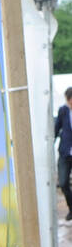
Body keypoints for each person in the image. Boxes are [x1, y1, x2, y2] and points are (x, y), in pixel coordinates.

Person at [55, 85, 72, 222]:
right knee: (63, 182)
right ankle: (71, 208)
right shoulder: (63, 111)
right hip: (65, 153)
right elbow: (56, 128)